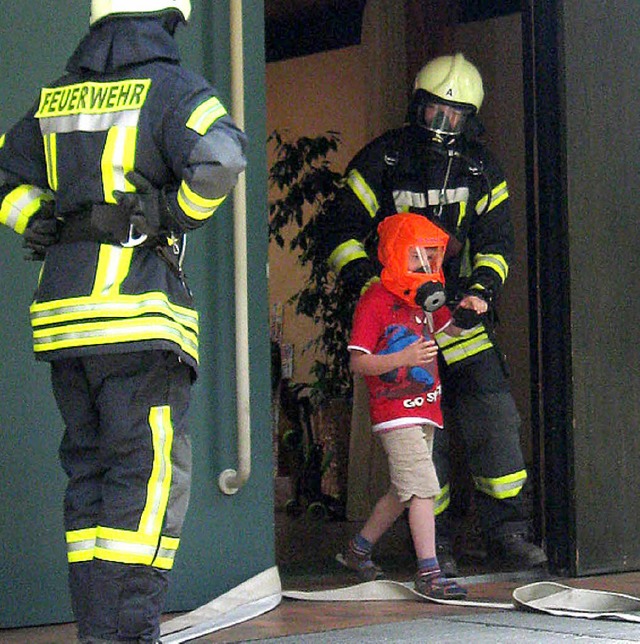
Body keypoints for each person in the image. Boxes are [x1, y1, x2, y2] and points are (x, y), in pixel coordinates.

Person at [0, 2, 247, 642]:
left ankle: (96, 630)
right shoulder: (171, 87)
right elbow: (221, 157)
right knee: (146, 480)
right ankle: (125, 633)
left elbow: (7, 170)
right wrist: (172, 213)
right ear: (168, 19)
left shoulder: (56, 96)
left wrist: (38, 219)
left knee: (90, 479)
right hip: (136, 318)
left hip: (65, 323)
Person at [317, 53, 547, 577]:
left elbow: (496, 245)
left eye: (456, 116)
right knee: (424, 434)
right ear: (416, 106)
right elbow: (339, 232)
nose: (443, 125)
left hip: (460, 322)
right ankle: (434, 544)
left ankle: (508, 534)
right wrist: (373, 286)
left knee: (496, 425)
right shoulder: (382, 160)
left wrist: (483, 290)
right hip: (401, 330)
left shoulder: (481, 167)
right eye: (435, 113)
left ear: (470, 119)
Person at [338, 212, 467, 599]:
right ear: (395, 255)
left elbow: (453, 329)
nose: (428, 267)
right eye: (418, 258)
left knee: (403, 490)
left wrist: (473, 309)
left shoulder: (428, 298)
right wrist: (404, 357)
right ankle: (429, 572)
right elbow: (358, 361)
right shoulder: (375, 300)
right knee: (424, 487)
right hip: (395, 412)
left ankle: (358, 551)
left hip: (427, 407)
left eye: (433, 258)